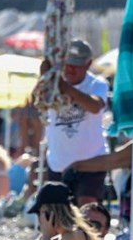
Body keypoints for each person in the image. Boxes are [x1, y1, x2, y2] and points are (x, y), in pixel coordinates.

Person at [43, 40, 109, 206]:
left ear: (88, 64)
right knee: (57, 214)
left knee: (87, 208)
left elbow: (94, 106)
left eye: (77, 65)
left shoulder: (97, 84)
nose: (71, 69)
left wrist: (64, 87)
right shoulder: (52, 84)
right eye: (68, 64)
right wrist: (46, 76)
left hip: (91, 161)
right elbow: (39, 102)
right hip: (58, 162)